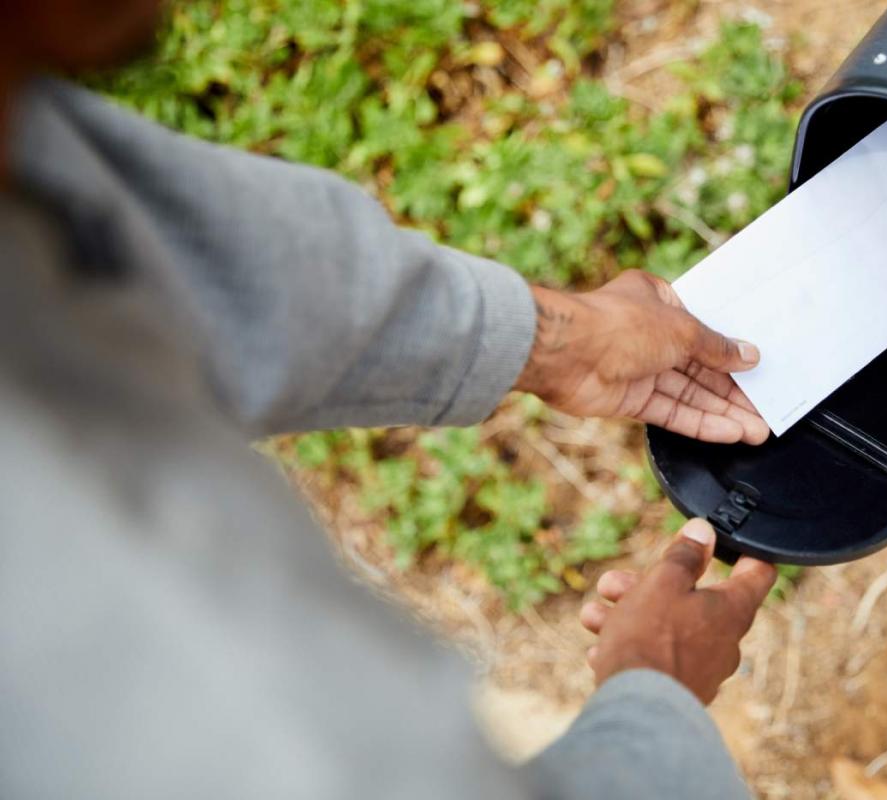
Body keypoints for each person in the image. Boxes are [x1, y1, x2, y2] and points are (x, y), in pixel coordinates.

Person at [0, 3, 780, 798]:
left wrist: (561, 342)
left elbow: (206, 248)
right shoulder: (78, 592)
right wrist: (656, 690)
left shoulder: (21, 123)